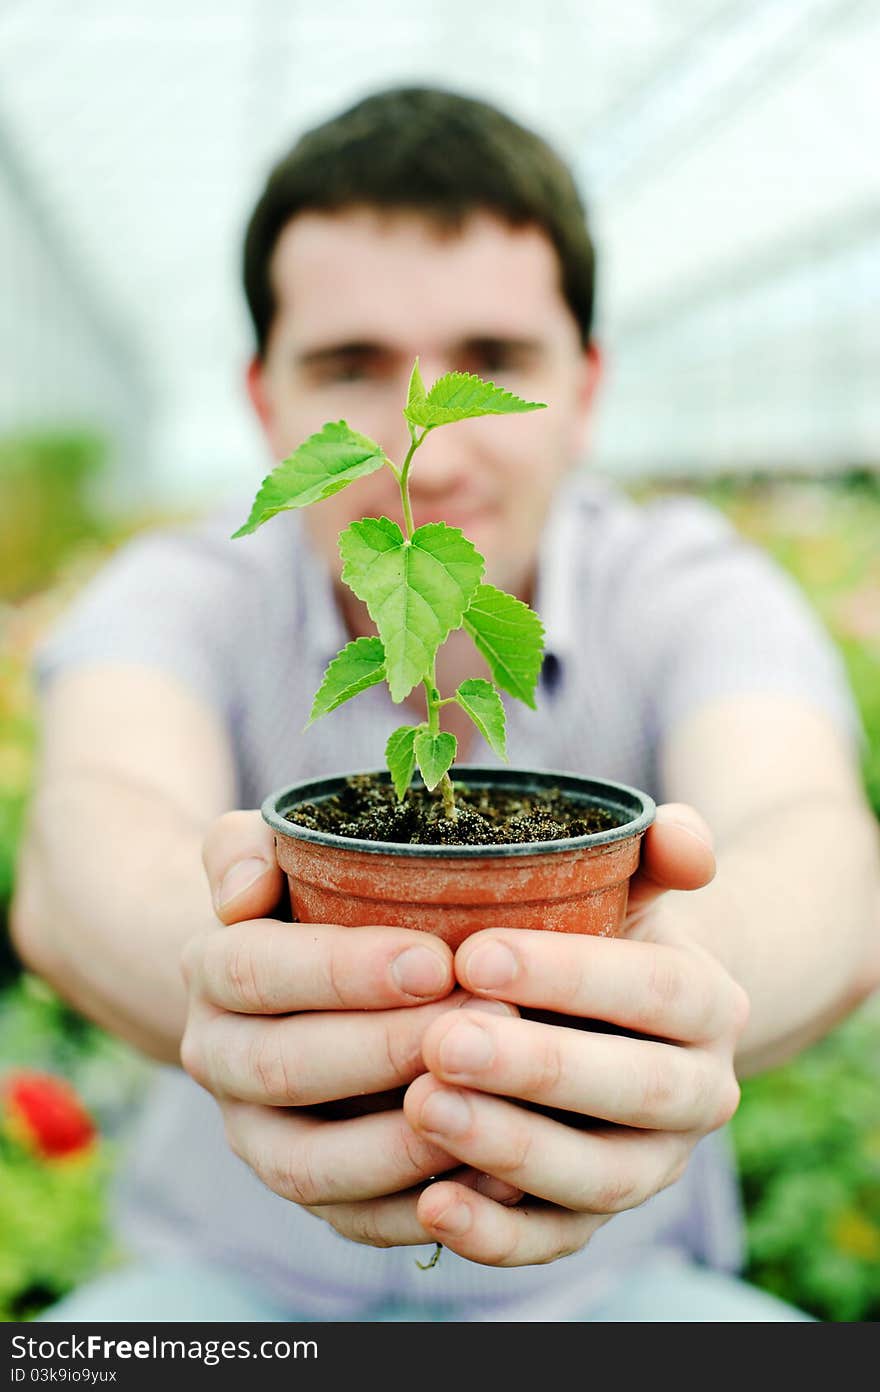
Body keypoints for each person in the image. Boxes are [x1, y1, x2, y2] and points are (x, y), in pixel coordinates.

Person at [11, 86, 880, 1323]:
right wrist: (227, 971)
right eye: (348, 365)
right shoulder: (190, 589)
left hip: (609, 1296)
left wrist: (691, 978)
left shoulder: (684, 586)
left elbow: (812, 842)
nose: (438, 443)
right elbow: (85, 839)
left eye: (494, 361)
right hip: (233, 1291)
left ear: (582, 386)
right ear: (264, 398)